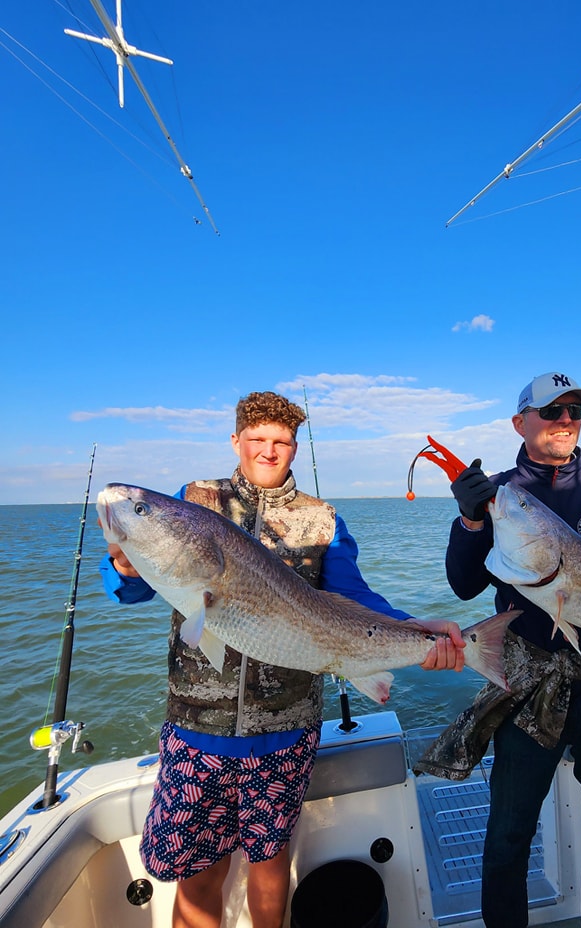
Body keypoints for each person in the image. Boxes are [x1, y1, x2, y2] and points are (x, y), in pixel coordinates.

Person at [100, 390, 466, 928]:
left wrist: (415, 630)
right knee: (198, 875)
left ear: (294, 447)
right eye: (257, 440)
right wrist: (126, 570)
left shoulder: (321, 519)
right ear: (236, 441)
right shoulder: (194, 502)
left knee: (270, 864)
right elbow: (134, 589)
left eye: (282, 441)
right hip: (197, 726)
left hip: (286, 727)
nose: (269, 451)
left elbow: (354, 599)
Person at [445, 371, 581, 928]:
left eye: (576, 412)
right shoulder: (497, 494)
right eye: (553, 411)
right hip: (526, 683)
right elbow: (465, 585)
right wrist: (470, 520)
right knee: (510, 831)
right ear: (520, 422)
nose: (566, 422)